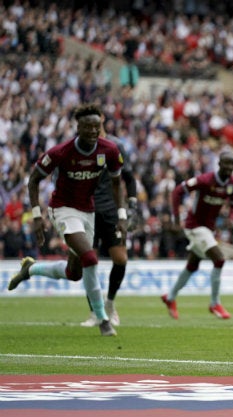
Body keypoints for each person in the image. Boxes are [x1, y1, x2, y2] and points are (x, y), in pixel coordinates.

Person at [7, 103, 125, 337]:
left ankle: (30, 269)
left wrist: (121, 215)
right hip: (62, 209)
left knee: (75, 273)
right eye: (87, 126)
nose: (93, 131)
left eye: (96, 126)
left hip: (87, 211)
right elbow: (33, 180)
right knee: (90, 257)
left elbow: (116, 183)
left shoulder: (109, 150)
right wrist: (37, 216)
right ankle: (102, 318)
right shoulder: (61, 152)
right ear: (77, 127)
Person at [160, 150, 233, 320]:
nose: (228, 167)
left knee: (193, 265)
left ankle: (171, 296)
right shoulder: (205, 180)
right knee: (219, 259)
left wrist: (232, 218)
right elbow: (177, 191)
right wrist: (176, 217)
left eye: (232, 164)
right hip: (194, 226)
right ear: (219, 163)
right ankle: (215, 303)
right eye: (226, 163)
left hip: (208, 229)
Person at [80, 117, 138, 328]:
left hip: (111, 210)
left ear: (102, 119)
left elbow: (129, 177)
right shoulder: (78, 147)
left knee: (120, 259)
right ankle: (95, 311)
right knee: (88, 261)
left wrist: (132, 205)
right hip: (86, 209)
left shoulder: (115, 146)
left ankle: (110, 304)